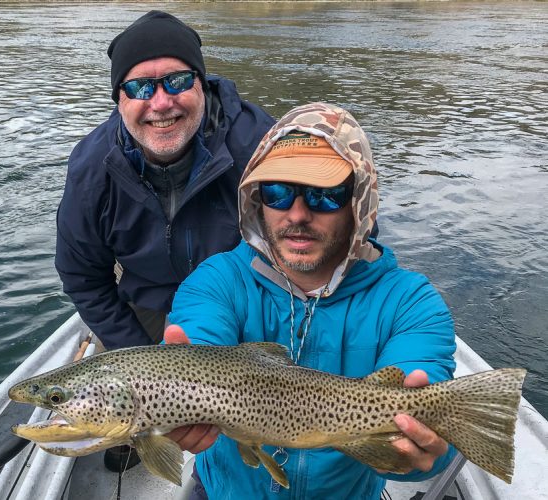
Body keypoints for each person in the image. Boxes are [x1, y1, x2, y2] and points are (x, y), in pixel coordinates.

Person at [165, 102, 457, 499]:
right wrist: (182, 379)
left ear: (359, 201)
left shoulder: (410, 302)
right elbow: (201, 340)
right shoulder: (216, 281)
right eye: (278, 192)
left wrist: (422, 450)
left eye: (324, 194)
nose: (297, 213)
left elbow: (435, 433)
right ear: (256, 199)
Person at [54, 10, 274, 472]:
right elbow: (83, 276)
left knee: (263, 416)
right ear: (118, 99)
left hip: (247, 296)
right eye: (138, 87)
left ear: (200, 81)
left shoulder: (259, 142)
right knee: (118, 410)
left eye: (176, 81)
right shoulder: (93, 168)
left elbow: (326, 224)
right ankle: (141, 432)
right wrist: (147, 370)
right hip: (149, 301)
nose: (160, 102)